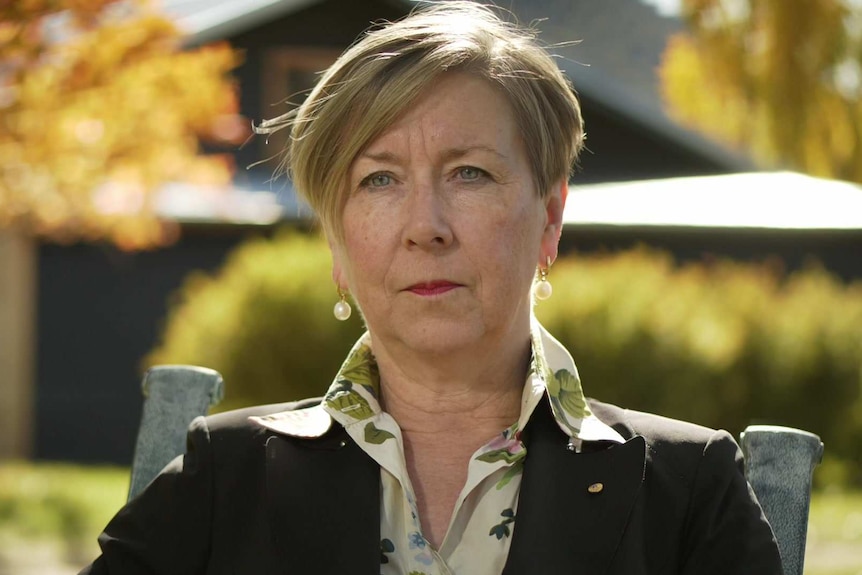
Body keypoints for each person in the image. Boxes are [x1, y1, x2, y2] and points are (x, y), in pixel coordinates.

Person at [80, 2, 783, 574]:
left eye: (469, 173)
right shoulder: (219, 478)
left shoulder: (690, 491)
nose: (426, 226)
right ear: (336, 240)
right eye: (378, 179)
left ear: (550, 215)